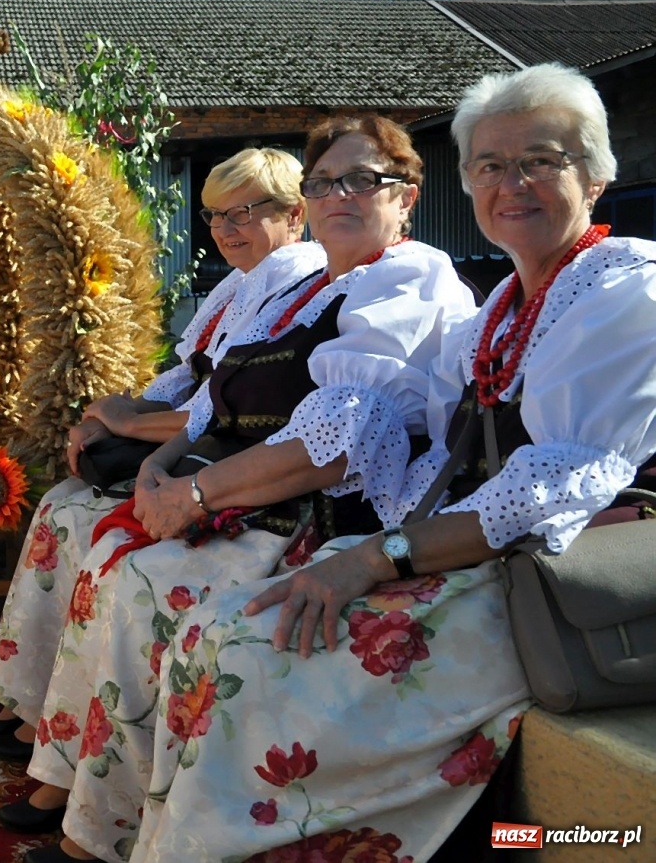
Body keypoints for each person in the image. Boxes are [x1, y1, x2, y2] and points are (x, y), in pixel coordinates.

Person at [63, 65, 656, 862]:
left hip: (544, 580)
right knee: (216, 626)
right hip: (462, 552)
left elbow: (542, 492)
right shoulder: (500, 309)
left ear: (596, 175)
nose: (510, 183)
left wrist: (371, 557)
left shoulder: (627, 292)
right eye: (489, 164)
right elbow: (426, 458)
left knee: (244, 649)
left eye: (539, 161)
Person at [20, 114, 478, 863]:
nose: (339, 195)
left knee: (142, 582)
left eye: (363, 180)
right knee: (113, 551)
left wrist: (193, 495)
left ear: (406, 197)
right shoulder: (305, 293)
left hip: (326, 518)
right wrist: (157, 468)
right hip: (260, 493)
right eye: (325, 181)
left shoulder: (408, 278)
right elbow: (213, 402)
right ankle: (79, 785)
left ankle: (108, 827)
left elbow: (341, 442)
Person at [0, 148, 325, 766]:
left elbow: (226, 406)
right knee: (61, 506)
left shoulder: (302, 284)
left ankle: (68, 737)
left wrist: (132, 424)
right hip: (200, 450)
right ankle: (35, 704)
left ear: (295, 214)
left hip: (242, 471)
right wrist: (111, 416)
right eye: (215, 215)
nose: (225, 229)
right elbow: (186, 379)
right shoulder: (243, 284)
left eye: (243, 213)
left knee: (88, 532)